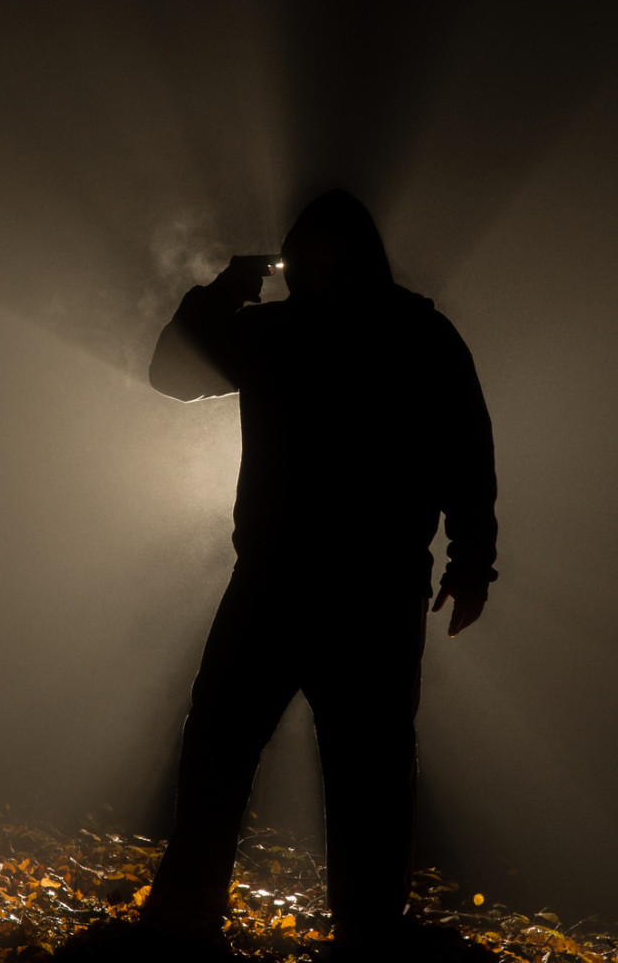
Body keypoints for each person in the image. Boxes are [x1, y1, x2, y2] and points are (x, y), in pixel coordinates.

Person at [140, 190, 498, 960]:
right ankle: (329, 930)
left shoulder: (306, 333)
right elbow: (467, 451)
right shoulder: (405, 334)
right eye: (314, 257)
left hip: (325, 583)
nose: (323, 272)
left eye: (328, 257)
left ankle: (209, 918)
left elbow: (466, 452)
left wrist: (473, 559)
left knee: (281, 752)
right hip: (328, 583)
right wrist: (471, 560)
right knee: (279, 752)